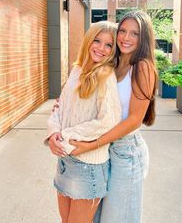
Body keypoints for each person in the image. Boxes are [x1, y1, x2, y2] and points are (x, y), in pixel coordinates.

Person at [69, 11, 157, 223]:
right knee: (96, 217)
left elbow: (134, 119)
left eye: (134, 33)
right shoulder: (112, 63)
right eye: (123, 31)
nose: (126, 38)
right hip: (103, 150)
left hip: (126, 151)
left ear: (143, 38)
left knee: (119, 218)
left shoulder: (142, 67)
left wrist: (92, 144)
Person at [45, 21, 122, 223]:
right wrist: (53, 134)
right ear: (88, 41)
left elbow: (108, 121)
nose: (101, 48)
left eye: (108, 45)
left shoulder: (106, 76)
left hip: (89, 166)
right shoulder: (76, 70)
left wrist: (66, 136)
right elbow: (60, 106)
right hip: (64, 161)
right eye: (97, 41)